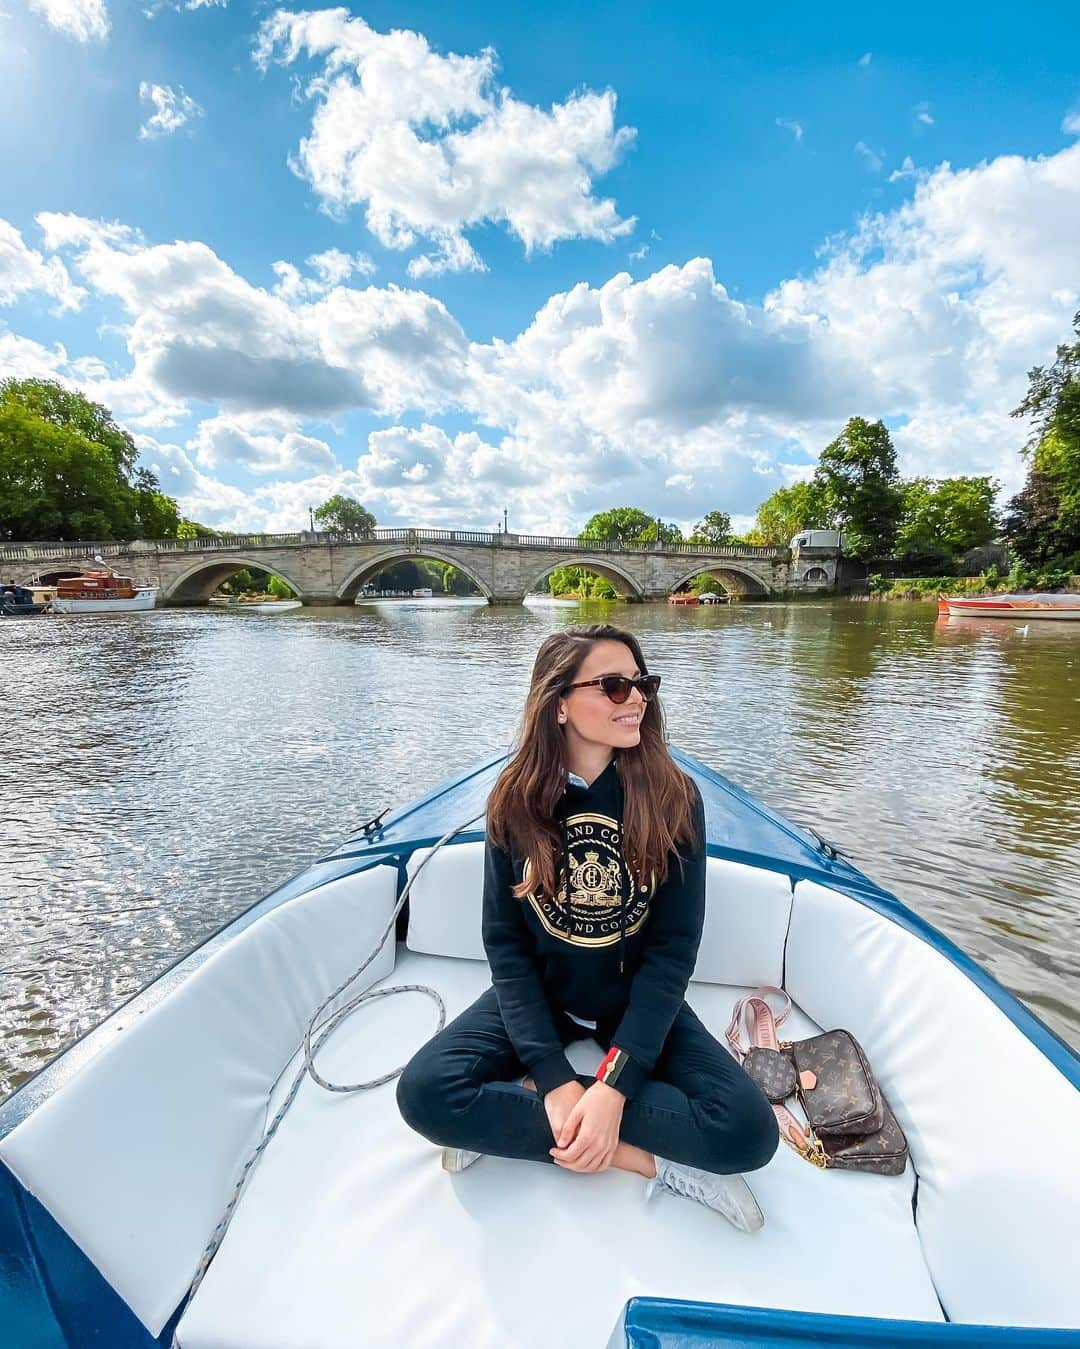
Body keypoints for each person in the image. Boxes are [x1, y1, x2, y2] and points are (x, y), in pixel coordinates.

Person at [395, 623, 779, 1231]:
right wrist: (555, 1079)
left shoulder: (674, 797)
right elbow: (507, 945)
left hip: (634, 1001)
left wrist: (613, 1087)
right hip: (541, 996)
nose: (637, 699)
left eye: (642, 684)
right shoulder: (513, 800)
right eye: (615, 686)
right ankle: (645, 1157)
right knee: (423, 1093)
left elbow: (674, 951)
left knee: (749, 1135)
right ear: (559, 704)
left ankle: (514, 1121)